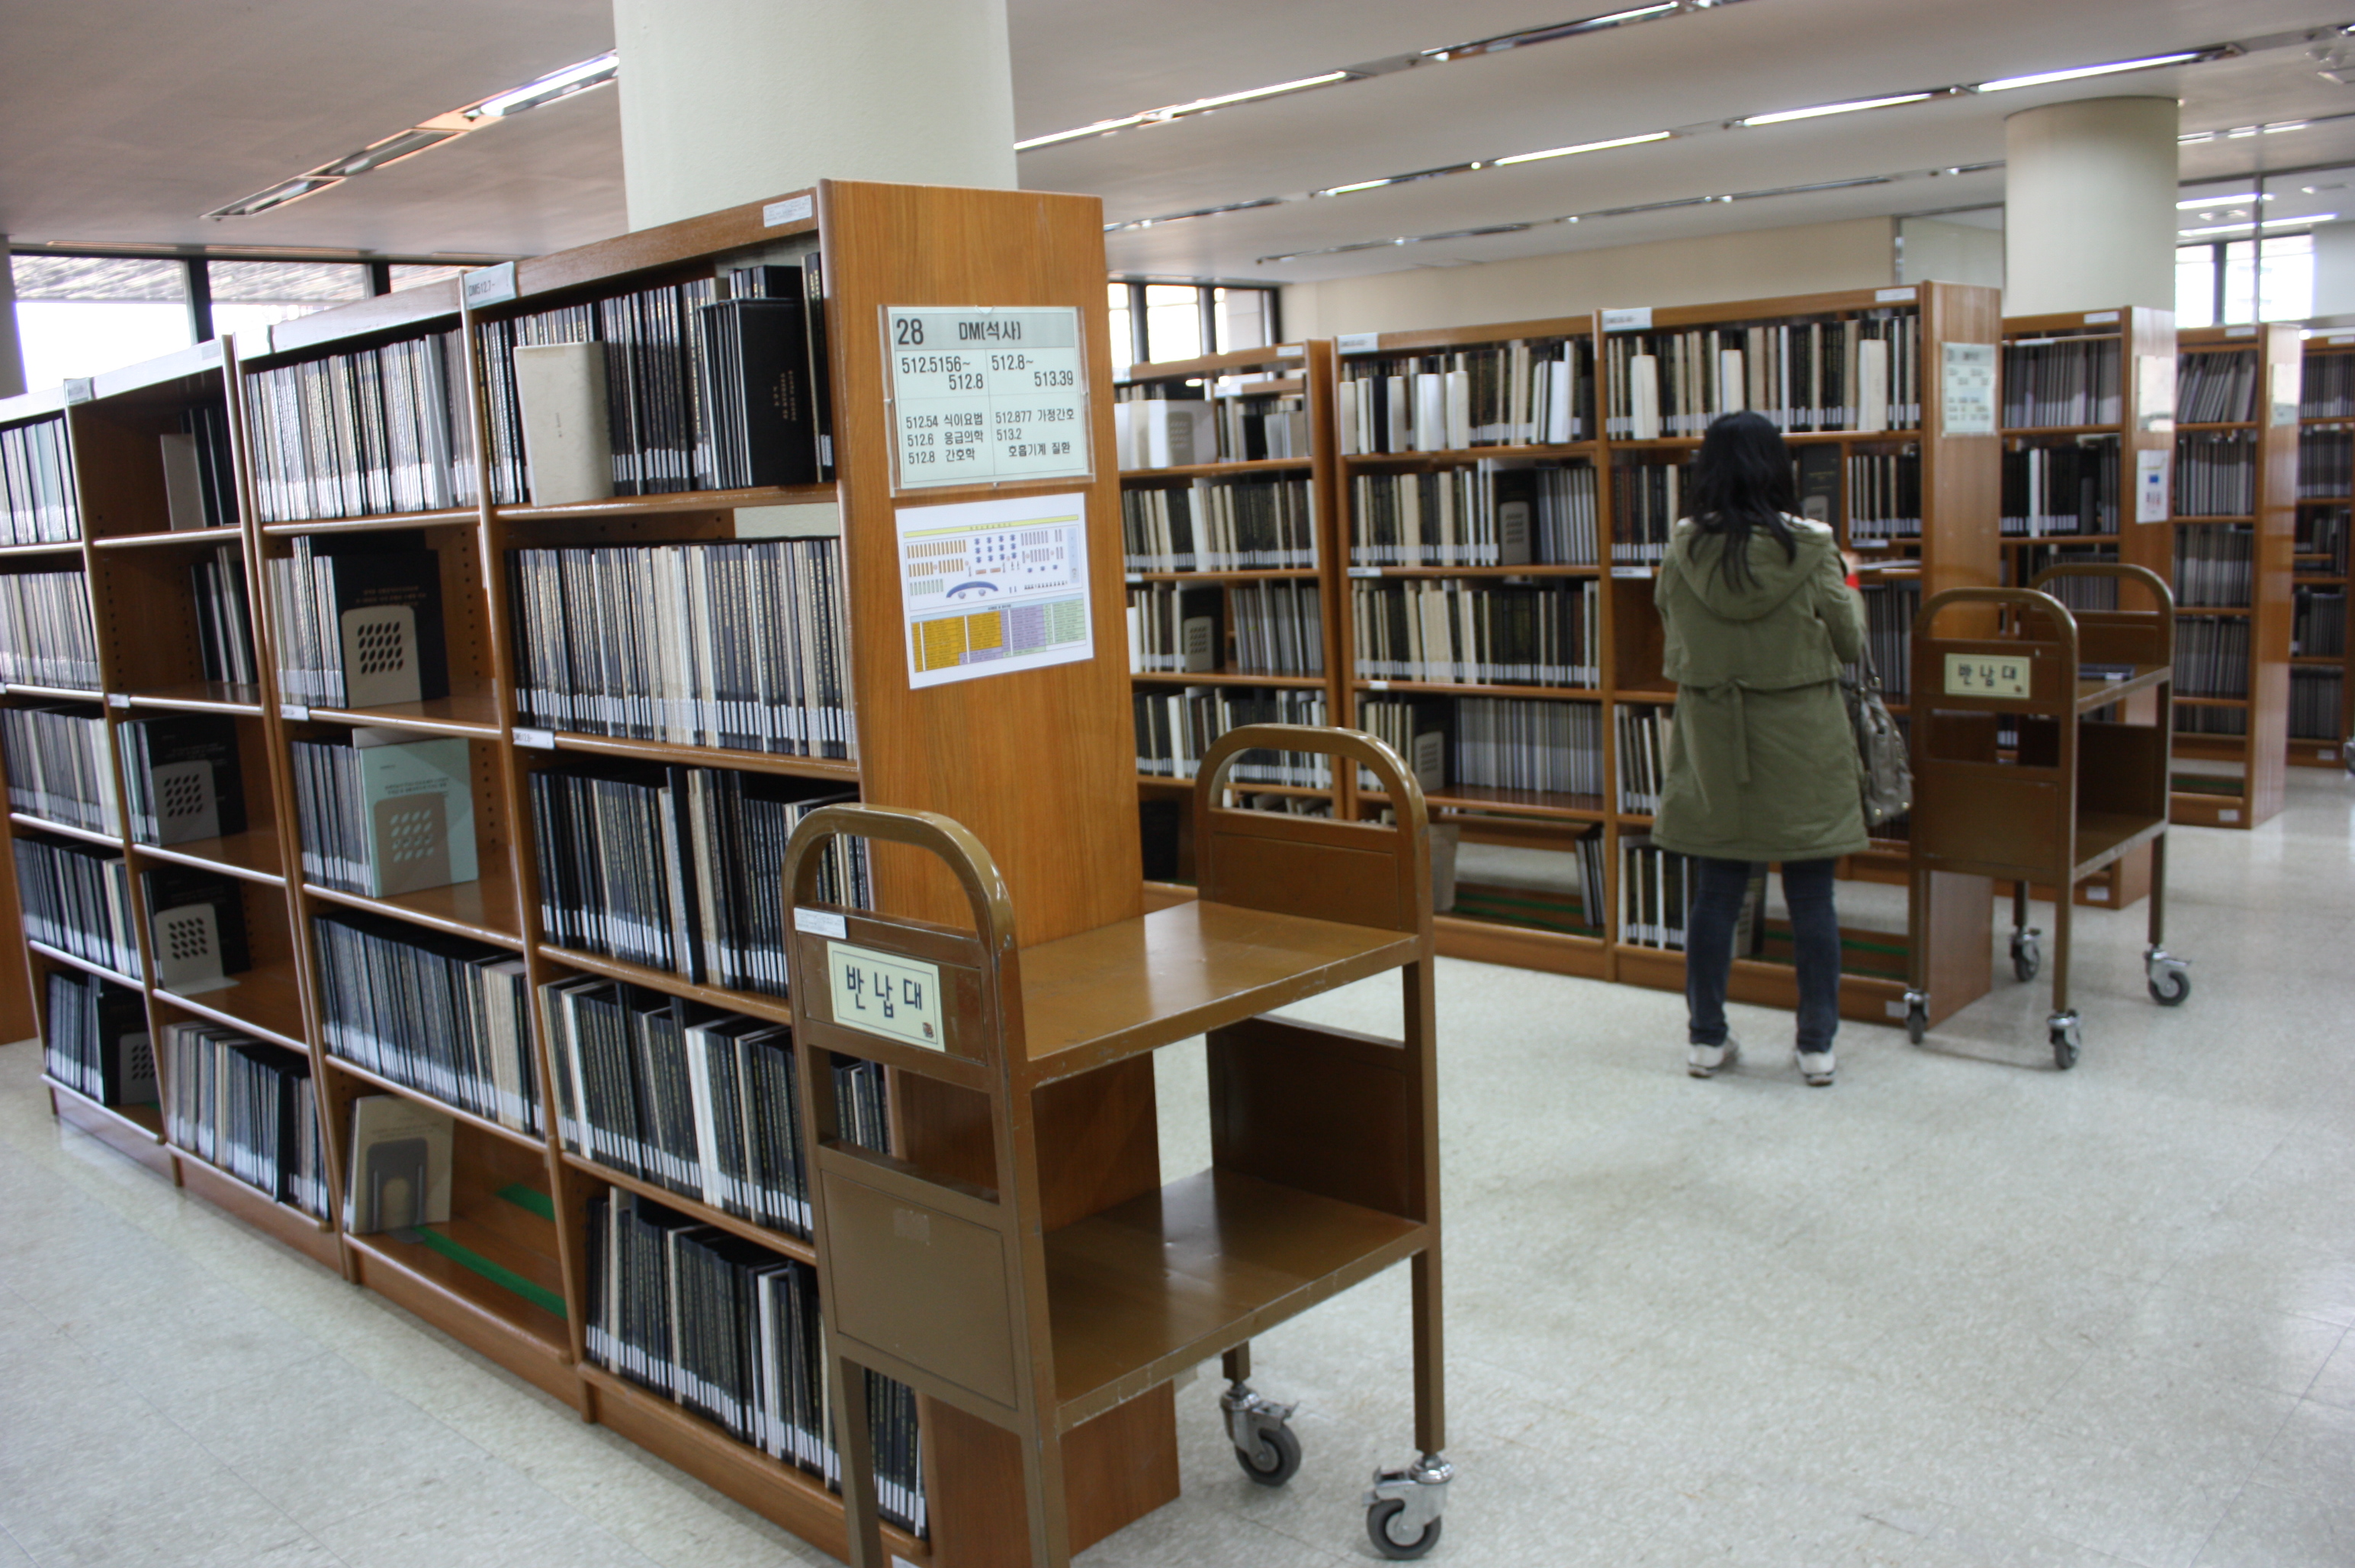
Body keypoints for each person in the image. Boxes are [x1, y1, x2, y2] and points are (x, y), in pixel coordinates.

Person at [1651, 410, 1867, 1087]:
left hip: (1717, 738)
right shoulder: (1814, 548)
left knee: (1716, 893)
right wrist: (1850, 581)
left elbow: (1670, 624)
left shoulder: (1683, 550)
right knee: (1812, 897)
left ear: (1706, 471)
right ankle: (1817, 1046)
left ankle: (1705, 1039)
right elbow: (1851, 642)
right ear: (1779, 469)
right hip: (1803, 740)